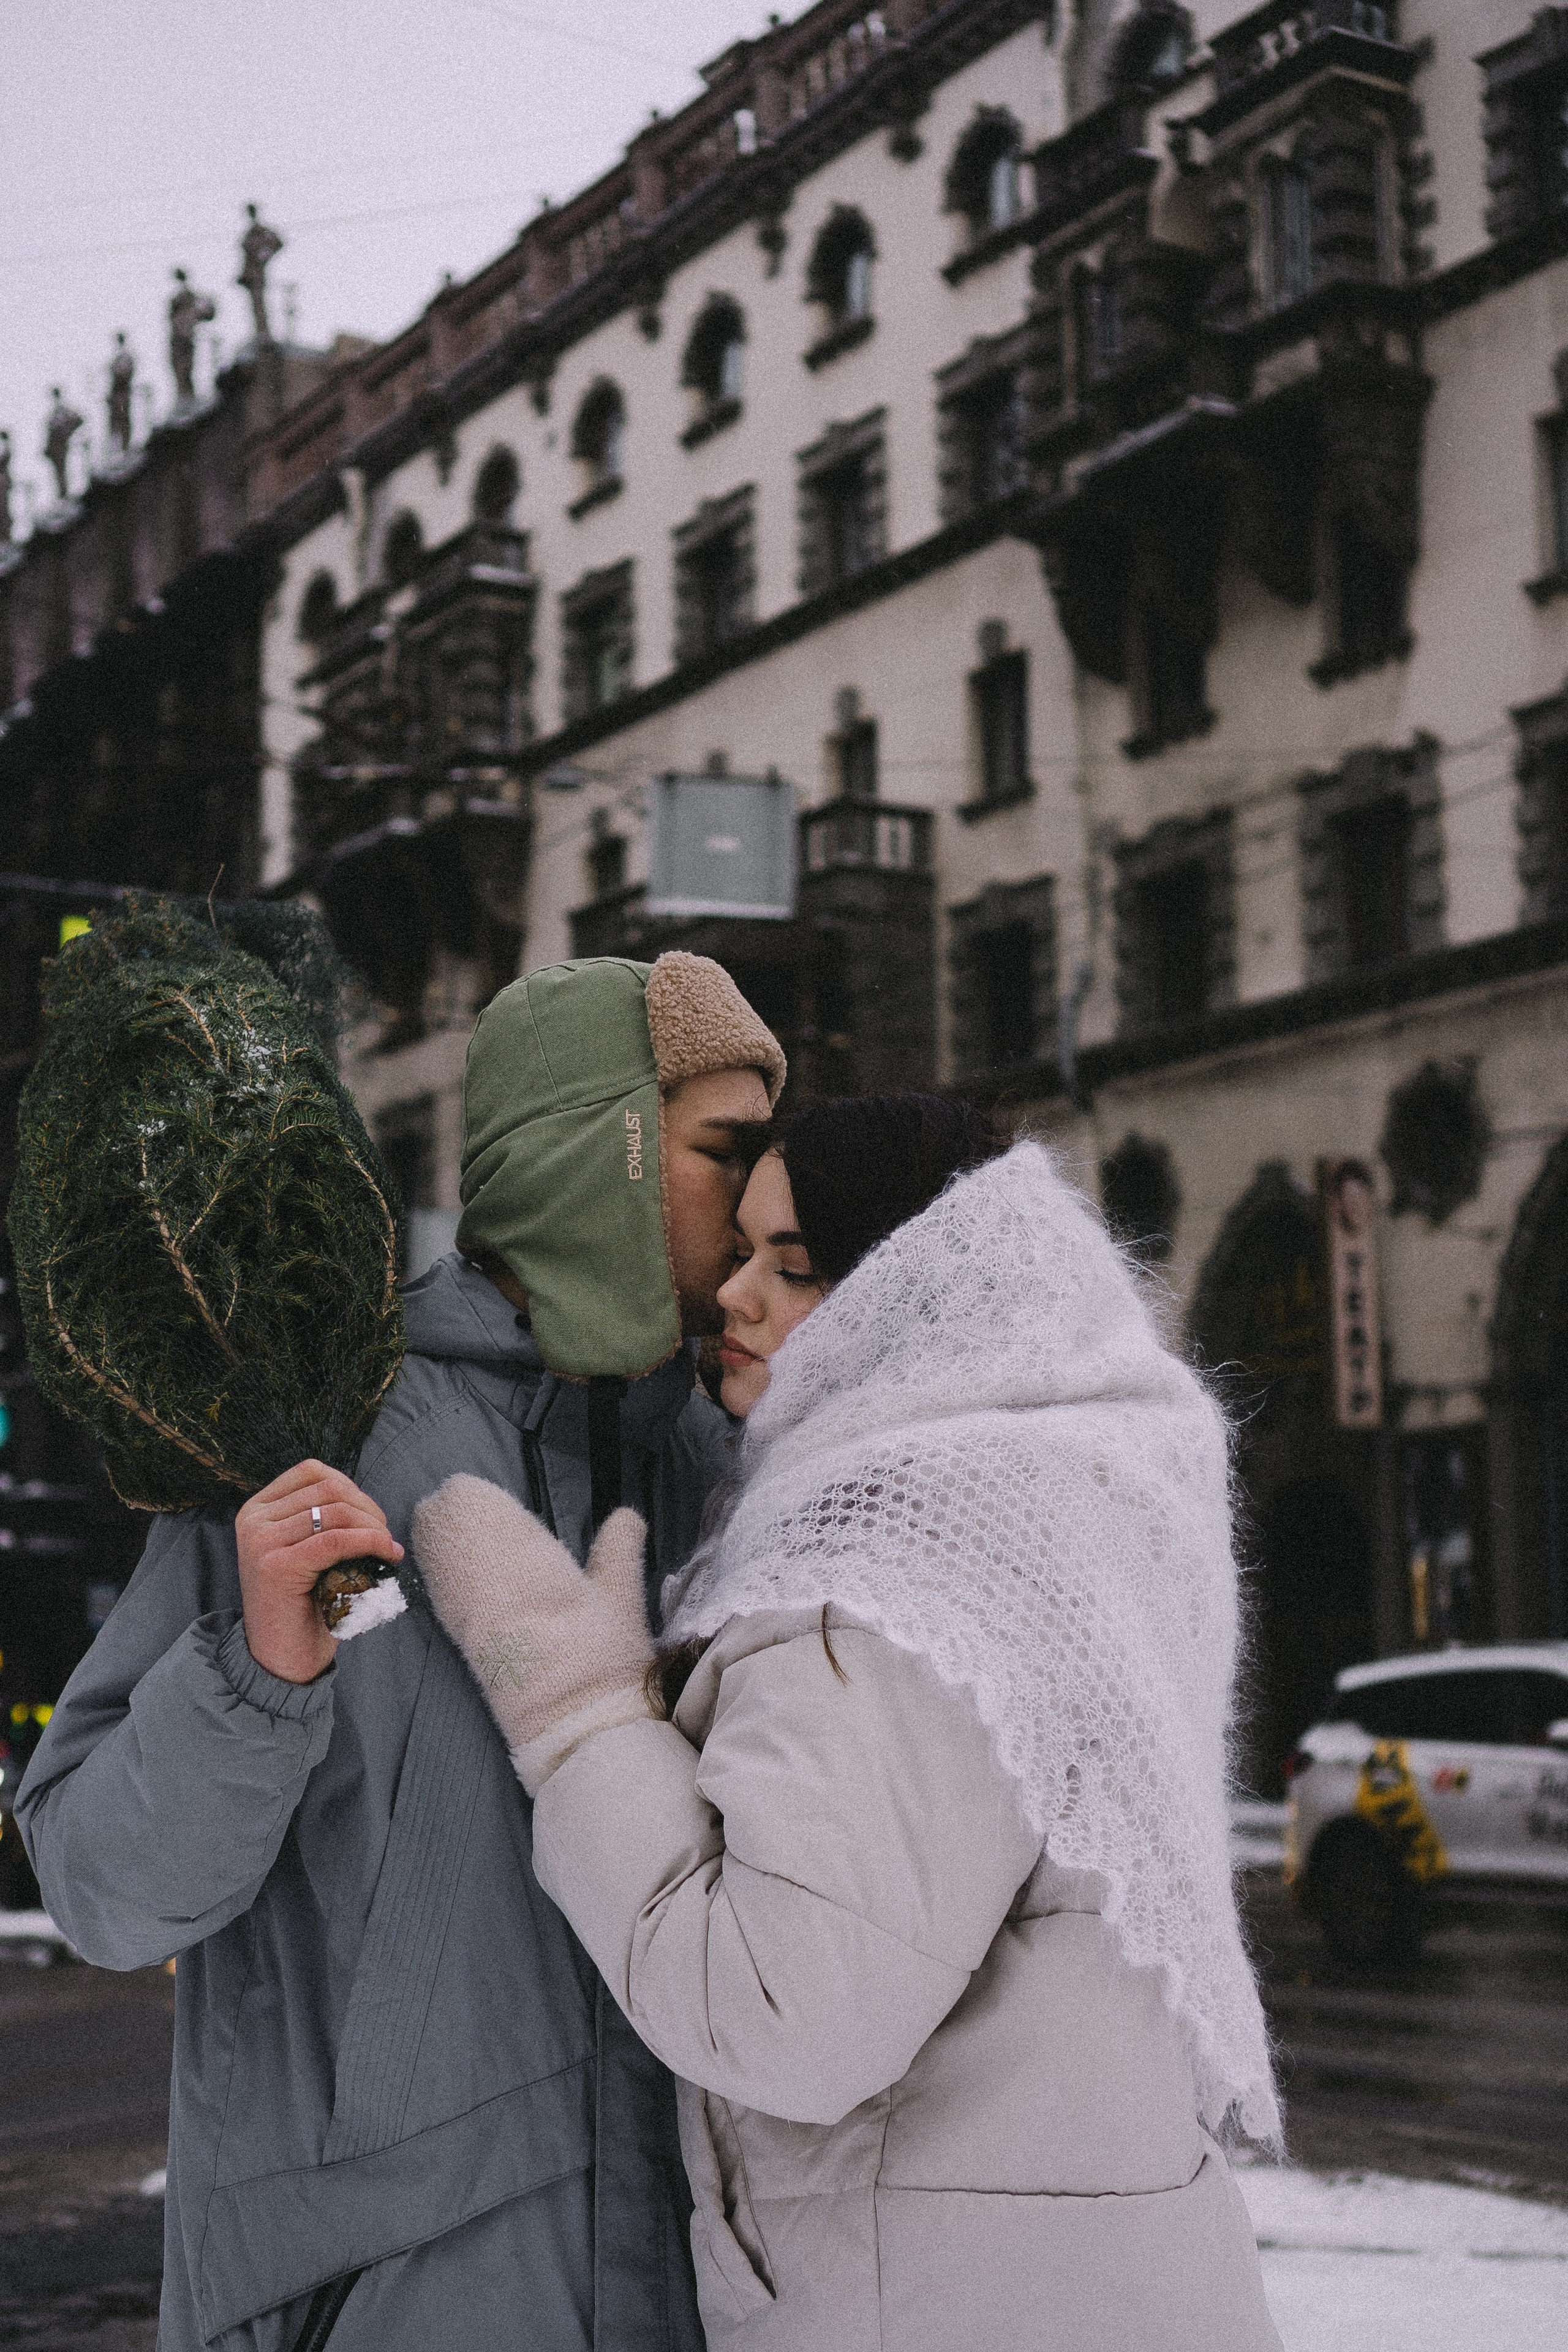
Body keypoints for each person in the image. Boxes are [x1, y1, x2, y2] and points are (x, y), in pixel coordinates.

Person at [412, 1095, 1284, 2352]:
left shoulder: (896, 1550)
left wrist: (578, 1713)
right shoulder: (1079, 1491)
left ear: (921, 1293)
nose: (736, 1295)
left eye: (796, 1267)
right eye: (744, 1250)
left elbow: (785, 2018)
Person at [18, 952, 784, 2352]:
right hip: (375, 2293)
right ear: (594, 1153)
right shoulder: (310, 1442)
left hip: (697, 2292)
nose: (761, 1198)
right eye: (722, 1150)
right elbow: (103, 1892)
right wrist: (259, 1672)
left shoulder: (736, 1468)